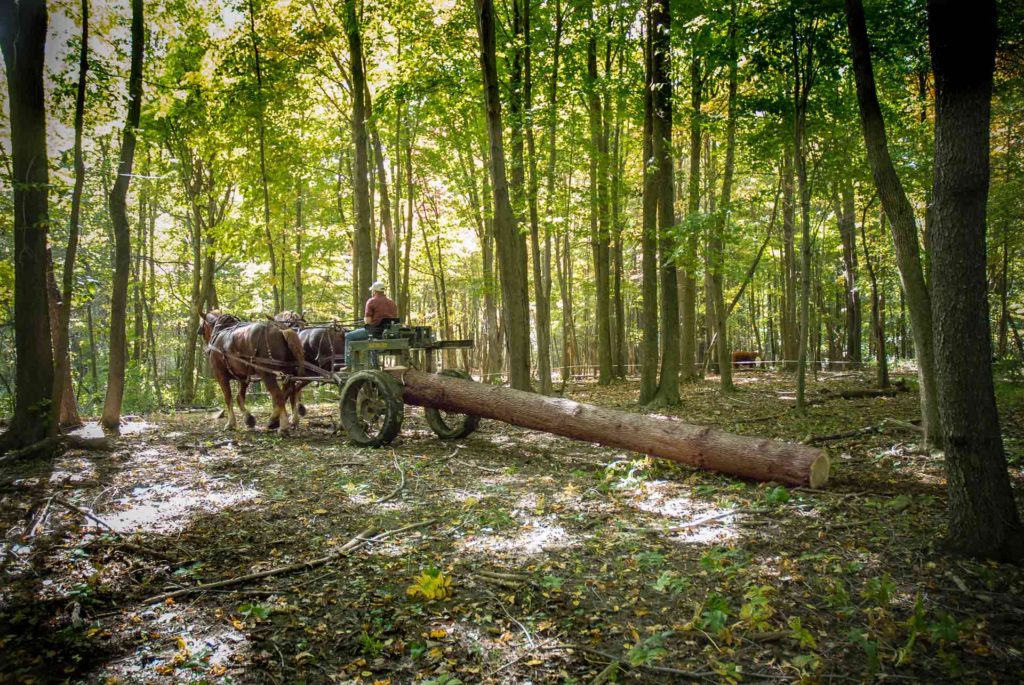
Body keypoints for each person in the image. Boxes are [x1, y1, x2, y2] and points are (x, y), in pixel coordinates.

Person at [345, 281, 399, 367]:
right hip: (387, 333)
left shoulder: (371, 301)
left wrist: (366, 319)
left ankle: (349, 365)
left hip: (374, 332)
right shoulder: (392, 303)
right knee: (371, 338)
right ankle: (374, 364)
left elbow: (368, 322)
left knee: (348, 336)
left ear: (374, 291)